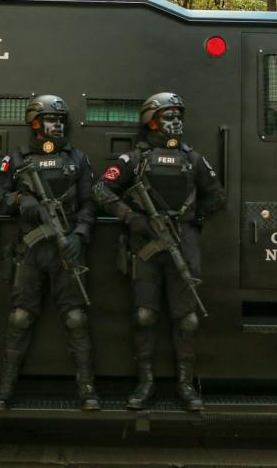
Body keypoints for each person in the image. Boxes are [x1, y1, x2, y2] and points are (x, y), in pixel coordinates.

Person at [93, 92, 225, 411]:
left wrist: (190, 220)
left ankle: (185, 385)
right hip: (146, 247)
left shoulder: (193, 159)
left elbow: (217, 197)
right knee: (144, 315)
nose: (175, 121)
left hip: (183, 243)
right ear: (151, 120)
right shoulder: (134, 159)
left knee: (188, 319)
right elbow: (100, 190)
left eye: (178, 114)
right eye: (168, 115)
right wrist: (132, 218)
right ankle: (146, 383)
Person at [0, 95, 100, 410]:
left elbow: (89, 202)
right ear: (35, 123)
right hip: (31, 249)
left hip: (67, 247)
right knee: (20, 317)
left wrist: (80, 233)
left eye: (61, 120)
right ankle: (5, 387)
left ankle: (87, 388)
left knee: (76, 318)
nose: (57, 126)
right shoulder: (17, 159)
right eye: (51, 119)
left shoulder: (77, 158)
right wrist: (20, 202)